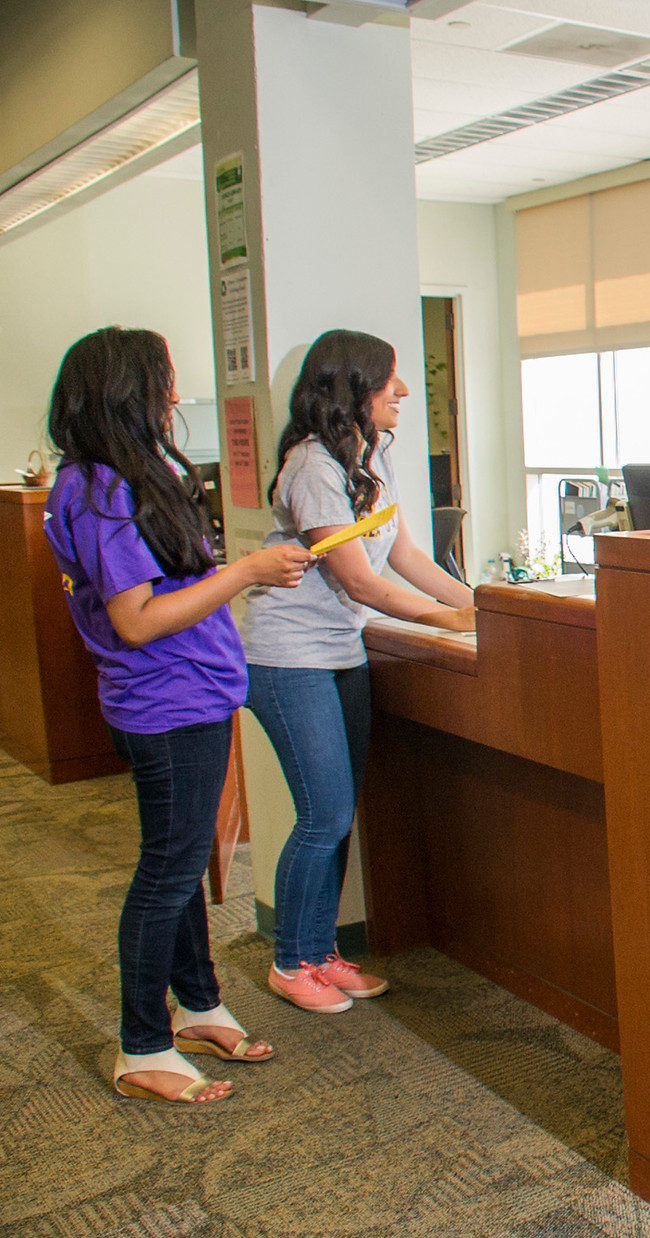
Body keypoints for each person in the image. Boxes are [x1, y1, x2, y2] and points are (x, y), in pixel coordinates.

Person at [42, 327, 318, 1104]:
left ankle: (196, 1006)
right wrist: (247, 572)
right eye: (162, 381)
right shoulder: (97, 491)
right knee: (166, 875)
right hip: (164, 701)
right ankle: (143, 1046)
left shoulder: (130, 476)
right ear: (128, 391)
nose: (173, 395)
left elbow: (167, 589)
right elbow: (135, 617)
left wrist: (237, 576)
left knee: (187, 864)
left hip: (187, 692)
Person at [241, 328, 475, 1014]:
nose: (402, 392)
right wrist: (442, 621)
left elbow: (405, 556)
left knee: (337, 815)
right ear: (353, 391)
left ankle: (320, 952)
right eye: (388, 381)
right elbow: (359, 583)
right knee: (324, 813)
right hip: (288, 659)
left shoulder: (370, 458)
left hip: (340, 653)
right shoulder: (313, 466)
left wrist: (481, 603)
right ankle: (291, 962)